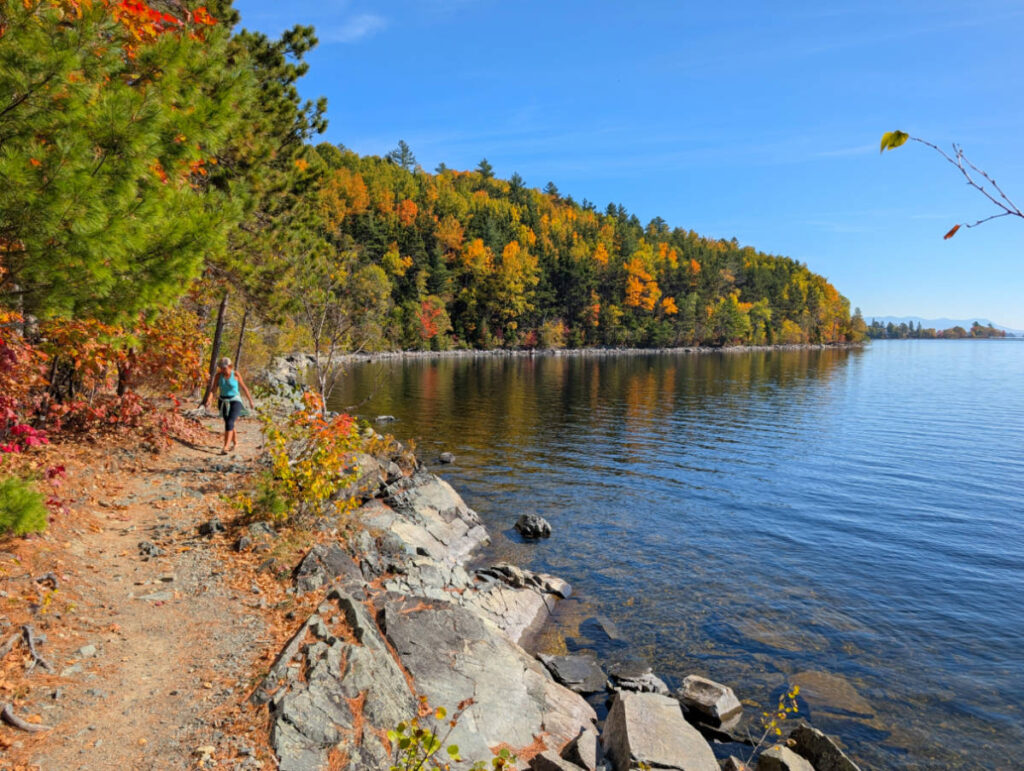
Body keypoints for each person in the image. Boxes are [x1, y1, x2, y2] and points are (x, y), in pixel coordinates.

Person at [203, 357, 255, 454]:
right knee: (228, 422)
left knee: (230, 422)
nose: (222, 370)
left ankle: (225, 447)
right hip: (223, 401)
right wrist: (209, 399)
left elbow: (244, 388)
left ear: (230, 366)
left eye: (224, 368)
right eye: (221, 368)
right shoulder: (218, 376)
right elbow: (213, 389)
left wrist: (250, 401)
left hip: (235, 400)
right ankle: (235, 442)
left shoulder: (235, 374)